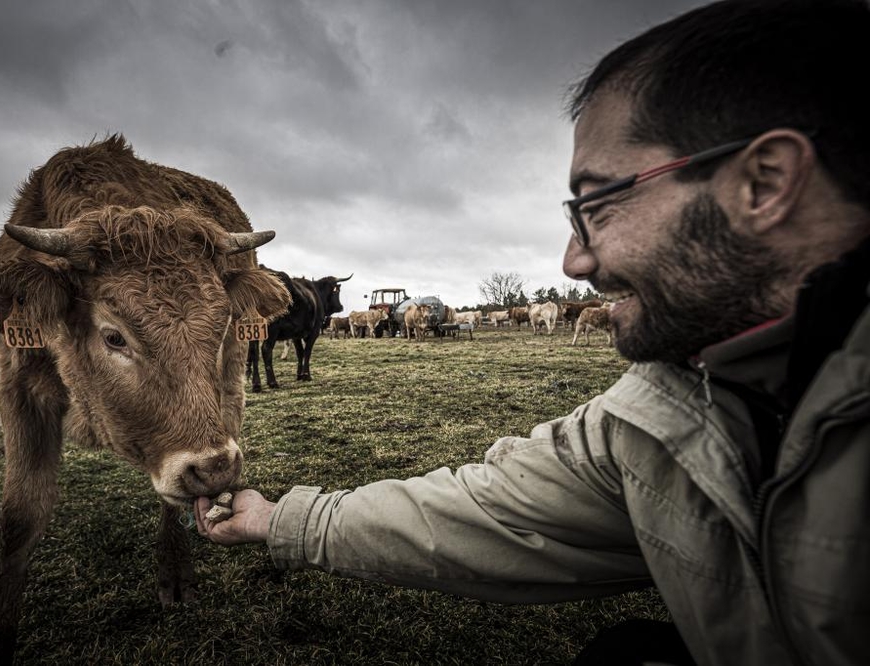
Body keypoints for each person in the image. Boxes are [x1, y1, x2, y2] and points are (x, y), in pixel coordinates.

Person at [195, 1, 870, 664]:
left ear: (765, 183)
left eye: (596, 207)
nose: (572, 263)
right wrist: (278, 518)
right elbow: (492, 510)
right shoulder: (670, 405)